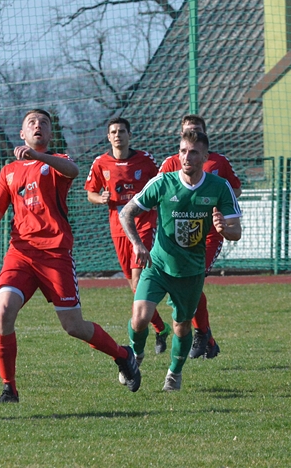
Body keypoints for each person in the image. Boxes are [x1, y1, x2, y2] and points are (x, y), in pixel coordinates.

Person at [0, 109, 141, 402]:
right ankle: (9, 388)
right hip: (20, 254)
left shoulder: (58, 162)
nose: (38, 126)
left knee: (74, 326)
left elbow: (72, 172)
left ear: (49, 134)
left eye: (44, 123)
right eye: (32, 123)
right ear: (22, 134)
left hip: (55, 254)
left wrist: (38, 157)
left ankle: (123, 355)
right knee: (4, 310)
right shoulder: (8, 171)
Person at [120, 129, 241, 391]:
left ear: (205, 157)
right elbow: (126, 213)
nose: (187, 157)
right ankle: (134, 355)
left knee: (182, 326)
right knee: (140, 316)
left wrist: (223, 229)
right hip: (158, 265)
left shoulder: (219, 187)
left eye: (194, 152)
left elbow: (236, 231)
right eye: (183, 151)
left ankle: (174, 373)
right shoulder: (162, 183)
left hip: (191, 271)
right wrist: (138, 244)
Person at [84, 117, 172, 355]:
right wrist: (99, 198)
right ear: (108, 136)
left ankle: (148, 332)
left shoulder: (145, 160)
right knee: (132, 284)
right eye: (113, 131)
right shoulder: (100, 163)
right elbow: (90, 192)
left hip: (143, 224)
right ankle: (161, 328)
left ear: (129, 134)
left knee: (137, 282)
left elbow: (162, 182)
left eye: (121, 131)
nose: (117, 135)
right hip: (118, 227)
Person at [158, 114, 242, 359]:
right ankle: (207, 337)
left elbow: (234, 187)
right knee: (184, 287)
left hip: (209, 235)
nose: (192, 133)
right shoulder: (172, 162)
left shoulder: (218, 161)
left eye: (197, 130)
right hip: (179, 238)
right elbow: (157, 191)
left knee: (191, 283)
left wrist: (223, 209)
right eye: (188, 130)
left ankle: (201, 334)